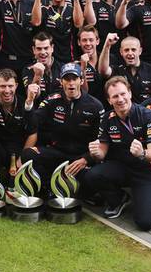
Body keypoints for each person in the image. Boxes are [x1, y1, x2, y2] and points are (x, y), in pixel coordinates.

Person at [85, 77, 151, 230]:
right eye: (115, 96)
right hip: (123, 167)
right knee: (91, 175)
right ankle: (120, 198)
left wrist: (142, 153)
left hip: (146, 171)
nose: (120, 99)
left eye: (123, 94)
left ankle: (149, 195)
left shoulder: (148, 116)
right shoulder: (107, 118)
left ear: (130, 93)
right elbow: (102, 154)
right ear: (109, 100)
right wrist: (95, 152)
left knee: (145, 223)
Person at [23, 63, 104, 195]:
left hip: (80, 157)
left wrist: (85, 159)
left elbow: (102, 140)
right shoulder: (52, 100)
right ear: (61, 82)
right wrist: (29, 102)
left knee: (89, 183)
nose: (71, 83)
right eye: (67, 79)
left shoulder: (95, 106)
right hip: (57, 152)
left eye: (74, 78)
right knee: (28, 154)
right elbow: (33, 123)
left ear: (81, 80)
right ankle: (48, 189)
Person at [98, 35, 151, 104]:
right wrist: (107, 45)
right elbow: (103, 71)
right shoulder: (117, 70)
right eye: (126, 50)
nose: (130, 53)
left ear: (140, 51)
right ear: (121, 52)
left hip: (147, 110)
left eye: (133, 50)